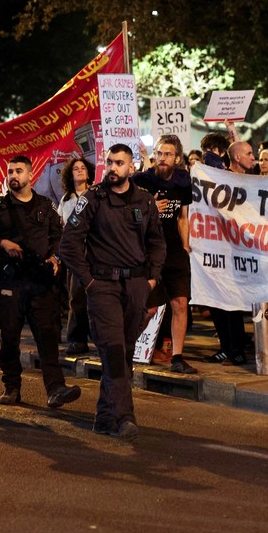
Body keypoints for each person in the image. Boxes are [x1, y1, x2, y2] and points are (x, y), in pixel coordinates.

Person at [59, 143, 165, 440]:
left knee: (124, 351)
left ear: (132, 168)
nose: (113, 167)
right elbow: (69, 244)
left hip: (135, 286)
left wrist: (152, 281)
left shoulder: (144, 200)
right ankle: (124, 416)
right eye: (109, 162)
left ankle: (104, 416)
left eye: (119, 163)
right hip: (102, 286)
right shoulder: (93, 198)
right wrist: (88, 281)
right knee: (114, 351)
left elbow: (157, 243)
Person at [0, 155, 82, 409]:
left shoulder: (46, 206)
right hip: (11, 282)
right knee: (10, 337)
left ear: (30, 175)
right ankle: (11, 386)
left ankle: (55, 388)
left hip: (41, 283)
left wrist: (56, 257)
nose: (13, 175)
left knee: (48, 336)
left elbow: (60, 237)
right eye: (10, 171)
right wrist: (1, 243)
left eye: (18, 171)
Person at [132, 134, 197, 375]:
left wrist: (186, 245)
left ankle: (177, 357)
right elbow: (127, 217)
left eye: (167, 154)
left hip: (175, 252)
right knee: (149, 309)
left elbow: (183, 217)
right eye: (159, 153)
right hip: (148, 252)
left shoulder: (183, 181)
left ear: (177, 158)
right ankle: (123, 346)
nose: (162, 158)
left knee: (180, 303)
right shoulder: (141, 180)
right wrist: (148, 208)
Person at [204, 141, 257, 366]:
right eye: (249, 153)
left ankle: (237, 349)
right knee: (217, 299)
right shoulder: (221, 179)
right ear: (236, 158)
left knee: (233, 301)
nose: (253, 157)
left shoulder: (254, 180)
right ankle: (226, 347)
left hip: (243, 249)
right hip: (220, 246)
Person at [58, 156, 95, 356]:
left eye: (83, 168)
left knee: (97, 299)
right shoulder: (66, 200)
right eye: (76, 169)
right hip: (75, 254)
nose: (80, 171)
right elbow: (61, 225)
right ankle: (76, 340)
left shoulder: (96, 195)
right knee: (76, 298)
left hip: (95, 252)